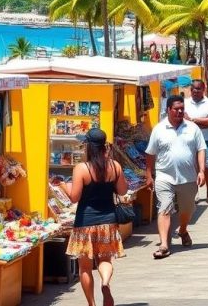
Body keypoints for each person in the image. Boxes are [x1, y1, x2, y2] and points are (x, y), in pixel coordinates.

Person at [65, 128, 127, 306]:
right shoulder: (115, 166)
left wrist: (63, 186)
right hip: (108, 221)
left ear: (88, 147)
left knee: (85, 267)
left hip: (85, 222)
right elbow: (123, 191)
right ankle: (105, 282)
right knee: (105, 260)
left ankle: (92, 304)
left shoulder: (82, 169)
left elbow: (74, 197)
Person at [145, 96, 206, 259]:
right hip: (164, 176)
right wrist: (149, 174)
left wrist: (201, 171)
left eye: (181, 108)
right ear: (168, 110)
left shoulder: (193, 128)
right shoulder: (159, 129)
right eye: (176, 109)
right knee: (164, 207)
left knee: (187, 209)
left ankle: (183, 230)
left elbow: (201, 149)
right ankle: (164, 244)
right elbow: (150, 153)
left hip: (188, 178)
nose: (179, 111)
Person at [184, 79, 208, 204]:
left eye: (198, 89)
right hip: (189, 141)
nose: (195, 91)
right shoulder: (184, 103)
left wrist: (192, 121)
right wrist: (203, 122)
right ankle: (195, 192)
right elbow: (182, 121)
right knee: (192, 167)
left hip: (207, 140)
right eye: (193, 88)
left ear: (203, 89)